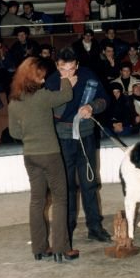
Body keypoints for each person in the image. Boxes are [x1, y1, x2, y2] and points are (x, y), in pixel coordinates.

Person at [8, 56, 79, 263]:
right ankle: (61, 248)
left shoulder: (14, 102)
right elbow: (66, 96)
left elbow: (14, 132)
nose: (43, 80)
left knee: (37, 201)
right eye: (41, 77)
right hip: (50, 154)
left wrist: (31, 137)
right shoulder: (42, 96)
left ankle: (39, 249)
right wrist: (67, 78)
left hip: (30, 156)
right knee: (60, 199)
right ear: (32, 78)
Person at [46, 47, 111, 244]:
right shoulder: (51, 81)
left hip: (86, 135)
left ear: (77, 65)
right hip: (63, 139)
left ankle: (95, 226)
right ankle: (68, 226)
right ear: (57, 66)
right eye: (62, 69)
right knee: (67, 186)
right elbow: (54, 114)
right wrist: (66, 90)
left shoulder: (88, 75)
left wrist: (92, 107)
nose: (67, 73)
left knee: (89, 183)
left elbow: (104, 99)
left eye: (71, 69)